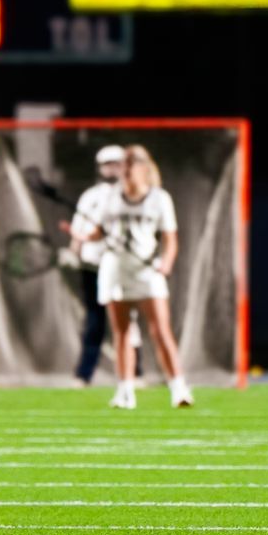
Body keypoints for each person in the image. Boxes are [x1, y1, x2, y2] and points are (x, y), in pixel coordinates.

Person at [76, 144, 191, 409]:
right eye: (123, 168)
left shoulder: (159, 198)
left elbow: (170, 239)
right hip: (115, 268)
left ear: (143, 169)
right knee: (122, 333)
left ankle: (179, 389)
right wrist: (83, 236)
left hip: (147, 271)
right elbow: (99, 230)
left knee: (160, 331)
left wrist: (167, 264)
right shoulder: (110, 197)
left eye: (129, 167)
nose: (125, 173)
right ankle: (125, 391)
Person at [66, 145, 124, 386]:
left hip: (123, 265)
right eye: (107, 164)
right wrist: (73, 251)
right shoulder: (91, 196)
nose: (111, 169)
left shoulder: (132, 194)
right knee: (94, 320)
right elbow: (78, 230)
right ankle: (84, 374)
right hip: (93, 266)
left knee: (126, 321)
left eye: (116, 163)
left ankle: (135, 373)